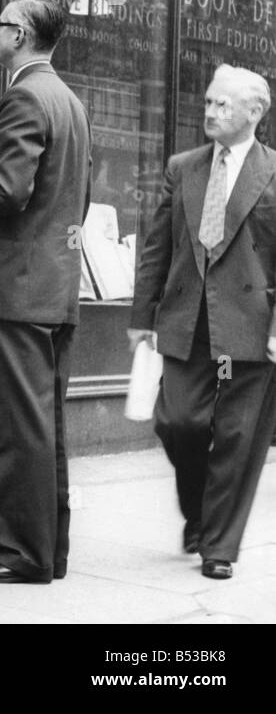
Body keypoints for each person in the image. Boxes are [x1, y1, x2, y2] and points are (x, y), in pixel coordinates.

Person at [0, 0, 92, 584]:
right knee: (42, 426)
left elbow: (6, 192)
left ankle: (17, 553)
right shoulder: (68, 100)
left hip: (16, 287)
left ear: (24, 36)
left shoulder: (26, 95)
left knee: (11, 426)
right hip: (51, 285)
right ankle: (44, 550)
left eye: (1, 25)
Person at [129, 64, 276, 580]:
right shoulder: (182, 167)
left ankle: (219, 547)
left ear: (256, 112)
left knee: (238, 440)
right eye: (209, 102)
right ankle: (198, 512)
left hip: (251, 328)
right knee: (177, 423)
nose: (209, 112)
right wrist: (141, 314)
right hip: (186, 319)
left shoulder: (274, 171)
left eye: (222, 105)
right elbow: (157, 246)